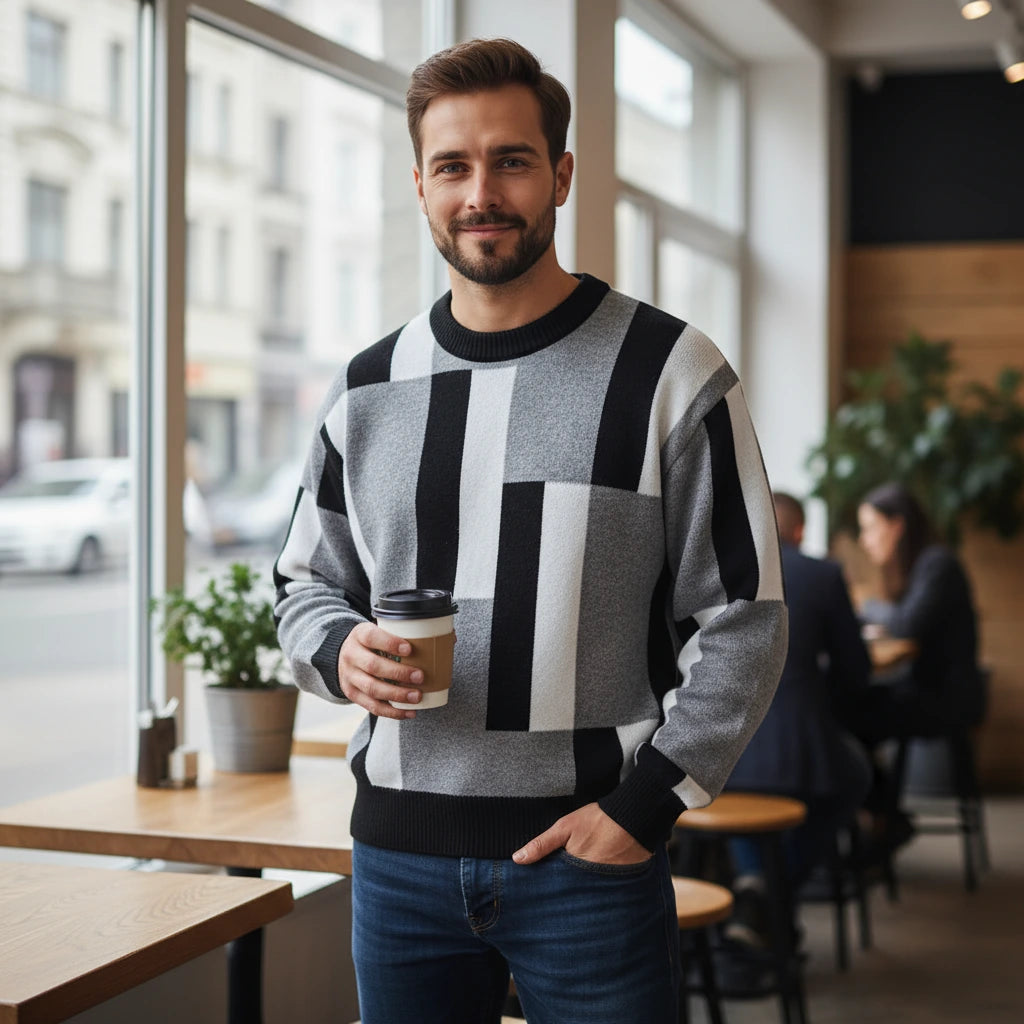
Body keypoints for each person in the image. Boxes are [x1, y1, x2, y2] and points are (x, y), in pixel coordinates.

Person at [274, 38, 787, 1024]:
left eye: (510, 160)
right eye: (453, 166)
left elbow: (745, 619)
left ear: (559, 175)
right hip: (395, 864)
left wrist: (646, 809)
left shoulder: (668, 371)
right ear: (419, 184)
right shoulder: (367, 390)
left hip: (589, 862)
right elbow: (303, 582)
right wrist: (338, 650)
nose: (481, 192)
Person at [723, 492, 872, 948]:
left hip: (719, 751)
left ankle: (753, 886)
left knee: (741, 804)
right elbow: (856, 671)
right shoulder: (823, 574)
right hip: (798, 749)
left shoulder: (720, 571)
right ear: (801, 531)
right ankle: (774, 888)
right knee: (855, 777)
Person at [854, 482, 985, 741]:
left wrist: (865, 605)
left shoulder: (937, 564)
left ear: (896, 526)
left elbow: (906, 623)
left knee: (848, 707)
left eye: (869, 528)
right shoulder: (923, 566)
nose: (863, 540)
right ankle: (873, 780)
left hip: (946, 697)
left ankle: (871, 781)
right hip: (930, 688)